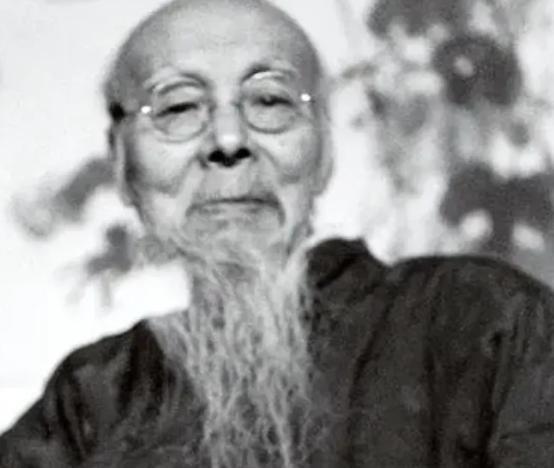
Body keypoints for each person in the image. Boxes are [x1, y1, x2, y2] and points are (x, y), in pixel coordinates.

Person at [2, 0, 554, 466]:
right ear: (123, 164)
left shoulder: (479, 323)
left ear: (325, 151)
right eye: (178, 107)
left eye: (270, 100)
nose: (228, 140)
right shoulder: (91, 403)